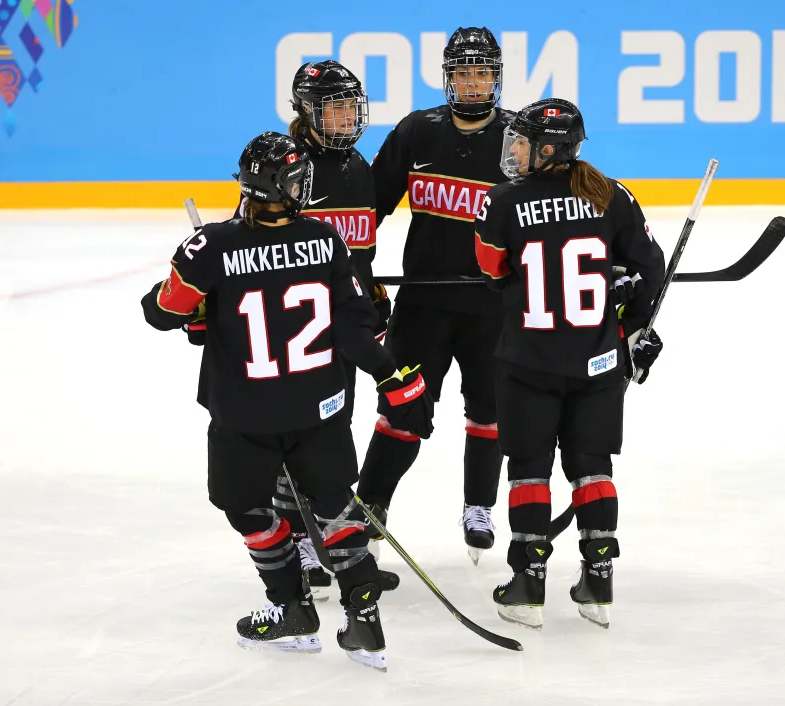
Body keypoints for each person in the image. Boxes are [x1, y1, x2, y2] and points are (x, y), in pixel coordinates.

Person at [141, 131, 434, 670]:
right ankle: (364, 621)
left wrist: (199, 314)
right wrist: (396, 380)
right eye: (299, 180)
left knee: (246, 507)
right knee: (335, 506)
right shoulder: (325, 238)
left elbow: (162, 312)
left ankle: (291, 607)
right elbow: (354, 327)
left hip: (246, 413)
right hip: (319, 407)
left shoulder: (210, 246)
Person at [185, 60, 394, 600]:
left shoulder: (357, 168)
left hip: (340, 324)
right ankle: (303, 544)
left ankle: (323, 544)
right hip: (295, 334)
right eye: (334, 107)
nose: (347, 117)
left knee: (324, 440)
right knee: (292, 439)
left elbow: (358, 251)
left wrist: (367, 292)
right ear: (306, 110)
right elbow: (251, 250)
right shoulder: (288, 167)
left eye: (351, 106)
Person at [473, 98, 666, 630]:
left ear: (549, 148)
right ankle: (598, 583)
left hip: (528, 361)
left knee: (529, 470)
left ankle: (527, 587)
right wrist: (634, 323)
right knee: (592, 466)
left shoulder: (505, 201)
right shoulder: (612, 195)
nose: (513, 149)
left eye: (522, 141)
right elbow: (649, 269)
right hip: (599, 361)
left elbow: (491, 268)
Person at [359, 26, 513, 565]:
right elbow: (368, 209)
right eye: (463, 73)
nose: (473, 84)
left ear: (497, 76)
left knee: (490, 410)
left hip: (495, 306)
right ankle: (370, 508)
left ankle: (479, 506)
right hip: (423, 303)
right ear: (448, 77)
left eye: (483, 73)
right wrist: (344, 269)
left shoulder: (519, 137)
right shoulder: (416, 132)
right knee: (402, 408)